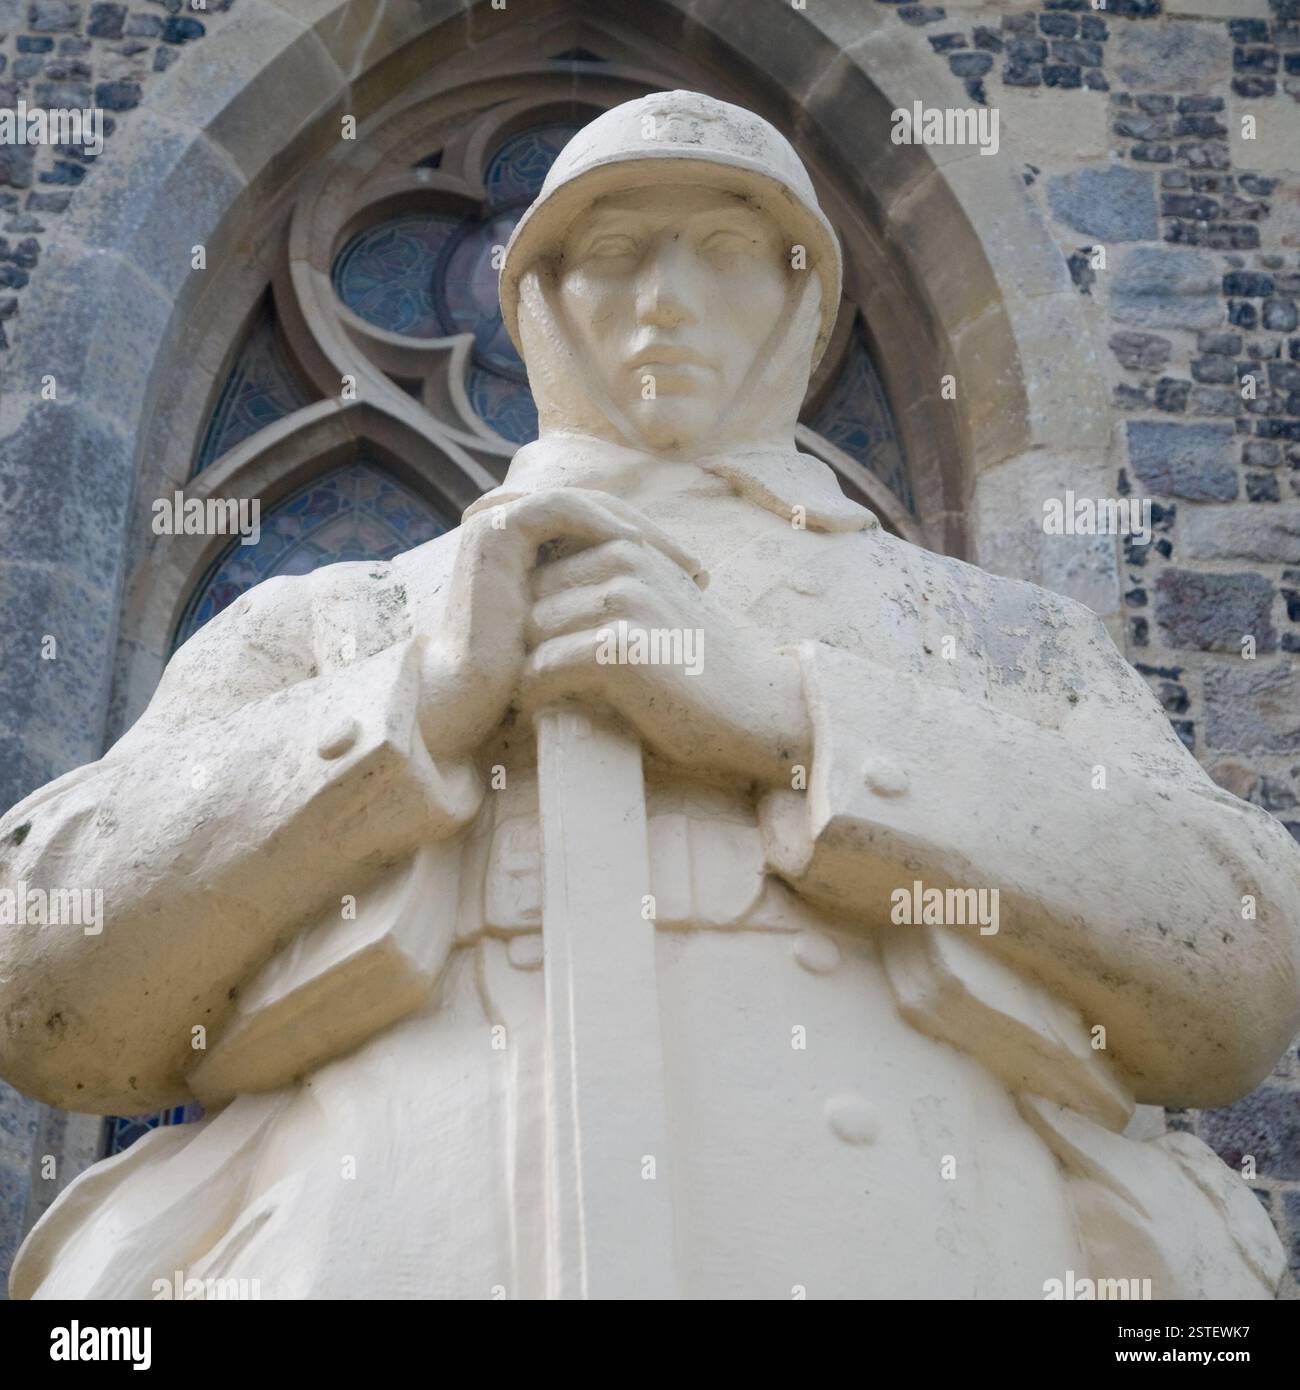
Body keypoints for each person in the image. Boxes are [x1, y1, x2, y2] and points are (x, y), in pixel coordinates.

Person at [2, 91, 1296, 1299]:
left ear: (800, 298)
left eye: (727, 249)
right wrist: (410, 709)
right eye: (615, 250)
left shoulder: (990, 634)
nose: (666, 299)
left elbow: (1240, 959)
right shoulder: (351, 613)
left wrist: (799, 718)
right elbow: (42, 971)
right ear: (541, 297)